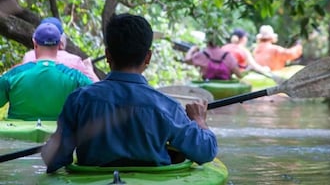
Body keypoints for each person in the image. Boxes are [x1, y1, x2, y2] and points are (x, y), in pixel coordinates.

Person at [41, 13, 217, 173]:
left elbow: (54, 160)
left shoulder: (78, 100)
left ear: (108, 55)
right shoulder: (168, 107)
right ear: (148, 57)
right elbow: (206, 152)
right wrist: (199, 121)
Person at [0, 23, 92, 120]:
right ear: (59, 45)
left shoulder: (13, 75)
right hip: (61, 133)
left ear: (35, 43)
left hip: (18, 134)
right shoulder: (76, 77)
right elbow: (98, 99)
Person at [22, 17, 100, 82]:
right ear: (61, 42)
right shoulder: (74, 61)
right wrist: (89, 69)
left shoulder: (28, 57)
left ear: (35, 42)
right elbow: (98, 89)